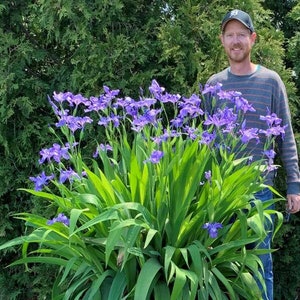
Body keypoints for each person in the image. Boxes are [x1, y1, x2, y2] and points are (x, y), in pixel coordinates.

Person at [206, 9, 300, 300]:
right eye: (230, 35)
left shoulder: (271, 81)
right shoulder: (213, 85)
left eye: (242, 35)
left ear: (253, 39)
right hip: (222, 190)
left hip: (259, 189)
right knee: (225, 265)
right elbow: (207, 143)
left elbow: (285, 136)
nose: (236, 40)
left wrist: (294, 186)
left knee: (261, 263)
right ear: (222, 40)